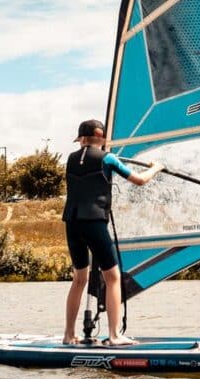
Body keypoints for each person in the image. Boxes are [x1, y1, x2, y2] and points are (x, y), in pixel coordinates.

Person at [62, 119, 164, 345]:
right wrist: (156, 168)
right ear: (102, 138)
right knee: (113, 277)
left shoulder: (69, 159)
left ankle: (68, 335)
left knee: (79, 279)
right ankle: (115, 335)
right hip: (94, 223)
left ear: (81, 139)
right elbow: (139, 181)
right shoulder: (107, 158)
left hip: (71, 222)